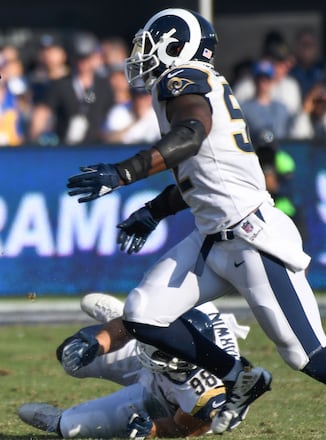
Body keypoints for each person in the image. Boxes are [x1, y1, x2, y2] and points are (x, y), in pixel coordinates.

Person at [65, 8, 326, 434]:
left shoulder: (180, 78)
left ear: (174, 45)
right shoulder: (183, 84)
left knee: (308, 356)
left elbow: (190, 134)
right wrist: (154, 211)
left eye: (148, 43)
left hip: (250, 237)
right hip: (214, 237)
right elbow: (203, 177)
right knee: (144, 314)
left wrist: (123, 172)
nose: (140, 54)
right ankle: (238, 375)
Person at [18, 294, 249, 438]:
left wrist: (155, 429)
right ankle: (121, 317)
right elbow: (142, 323)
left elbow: (183, 428)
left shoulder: (208, 395)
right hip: (162, 364)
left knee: (69, 426)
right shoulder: (199, 305)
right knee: (71, 358)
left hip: (162, 399)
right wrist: (95, 344)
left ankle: (61, 421)